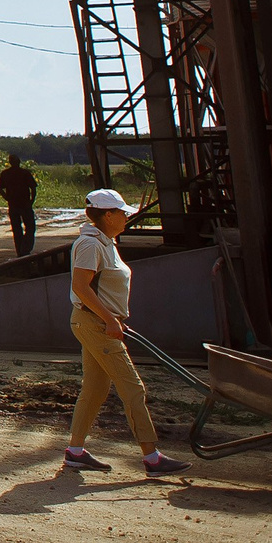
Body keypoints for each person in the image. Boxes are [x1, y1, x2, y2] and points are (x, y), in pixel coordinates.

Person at [63, 188, 186, 475]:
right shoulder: (91, 245)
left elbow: (103, 288)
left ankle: (75, 451)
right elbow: (80, 287)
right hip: (93, 323)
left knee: (95, 388)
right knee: (133, 388)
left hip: (99, 321)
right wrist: (109, 319)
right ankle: (152, 458)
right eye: (122, 212)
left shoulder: (105, 242)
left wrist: (114, 317)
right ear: (107, 215)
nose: (126, 217)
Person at [0, 153, 39, 256]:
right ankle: (25, 248)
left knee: (17, 229)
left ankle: (20, 250)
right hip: (24, 204)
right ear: (19, 162)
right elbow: (33, 188)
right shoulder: (24, 173)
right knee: (29, 227)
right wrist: (31, 201)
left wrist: (7, 197)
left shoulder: (6, 174)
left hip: (14, 204)